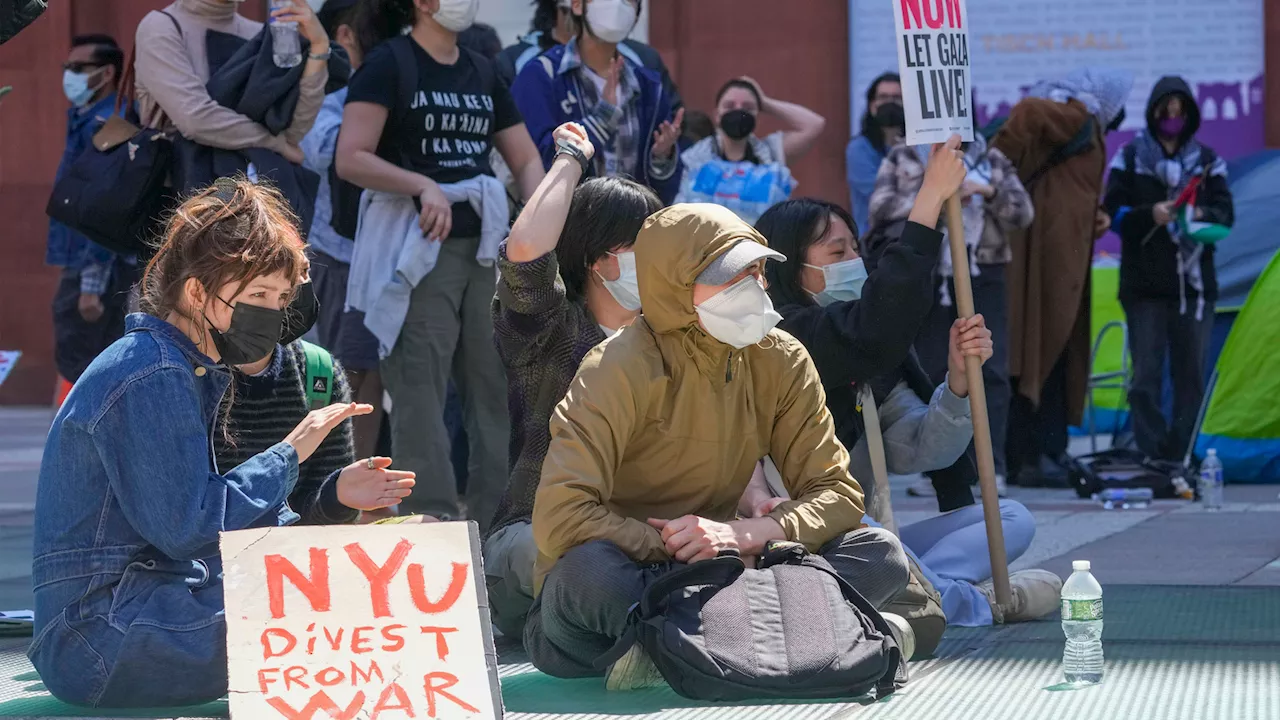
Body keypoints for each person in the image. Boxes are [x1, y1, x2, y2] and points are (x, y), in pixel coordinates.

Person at [28, 179, 416, 708]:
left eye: (281, 299)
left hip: (136, 612)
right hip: (100, 636)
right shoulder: (152, 372)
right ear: (195, 292)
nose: (274, 314)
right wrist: (290, 451)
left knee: (349, 587)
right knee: (342, 613)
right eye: (257, 296)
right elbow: (190, 527)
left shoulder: (177, 366)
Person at [523, 202, 911, 688]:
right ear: (676, 287)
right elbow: (562, 517)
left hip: (732, 571)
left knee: (879, 552)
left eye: (757, 270)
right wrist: (681, 552)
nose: (756, 286)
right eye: (734, 275)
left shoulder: (783, 358)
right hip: (643, 577)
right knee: (584, 576)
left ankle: (670, 651)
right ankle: (821, 630)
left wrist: (749, 536)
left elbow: (838, 495)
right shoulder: (614, 367)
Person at [756, 196, 1061, 628]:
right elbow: (880, 318)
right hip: (802, 531)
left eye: (855, 248)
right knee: (876, 546)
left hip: (864, 536)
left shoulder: (871, 366)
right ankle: (978, 603)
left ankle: (915, 586)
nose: (855, 261)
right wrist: (932, 195)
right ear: (790, 269)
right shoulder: (783, 338)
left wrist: (957, 379)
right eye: (837, 253)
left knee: (1012, 519)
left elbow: (924, 450)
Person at [336, 0, 545, 531]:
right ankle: (427, 517)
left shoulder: (481, 67)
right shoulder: (389, 62)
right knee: (418, 390)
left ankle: (502, 515)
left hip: (484, 248)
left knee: (493, 384)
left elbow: (522, 157)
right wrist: (422, 185)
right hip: (418, 246)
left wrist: (541, 219)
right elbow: (351, 155)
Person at [487, 122, 662, 639]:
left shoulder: (672, 340)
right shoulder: (553, 331)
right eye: (645, 246)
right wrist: (570, 159)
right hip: (536, 534)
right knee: (576, 561)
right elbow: (525, 254)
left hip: (645, 538)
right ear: (601, 259)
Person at [868, 128, 1034, 496]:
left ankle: (993, 468)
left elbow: (1023, 212)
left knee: (989, 369)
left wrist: (986, 191)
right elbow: (879, 208)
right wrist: (934, 191)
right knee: (932, 368)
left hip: (982, 273)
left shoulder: (991, 158)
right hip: (927, 272)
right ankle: (941, 474)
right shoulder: (904, 156)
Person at [993, 68, 1133, 485]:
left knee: (1046, 354)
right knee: (1044, 353)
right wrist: (996, 160)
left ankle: (1035, 456)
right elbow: (1028, 111)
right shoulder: (1079, 117)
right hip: (1046, 264)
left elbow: (1065, 189)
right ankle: (1037, 457)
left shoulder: (1084, 128)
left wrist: (1090, 218)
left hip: (1059, 259)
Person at [1104, 77, 1233, 462]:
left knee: (1190, 377)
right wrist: (1150, 215)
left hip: (1194, 290)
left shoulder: (1209, 163)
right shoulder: (1128, 158)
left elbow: (1226, 216)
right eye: (1166, 111)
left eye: (1180, 112)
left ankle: (1182, 453)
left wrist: (1196, 215)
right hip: (1143, 288)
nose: (1173, 118)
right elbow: (1111, 215)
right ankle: (1153, 454)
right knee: (1144, 377)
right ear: (1154, 113)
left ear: (1191, 116)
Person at [302, 0, 385, 464]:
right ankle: (322, 480)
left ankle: (363, 480)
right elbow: (322, 154)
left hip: (386, 258)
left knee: (370, 377)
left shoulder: (398, 86)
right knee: (327, 372)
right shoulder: (330, 101)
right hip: (335, 260)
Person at [510, 0, 683, 204]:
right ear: (576, 5)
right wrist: (602, 119)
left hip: (634, 225)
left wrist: (662, 156)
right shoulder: (541, 75)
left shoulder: (648, 84)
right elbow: (536, 163)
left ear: (636, 15)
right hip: (570, 226)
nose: (617, 5)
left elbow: (664, 187)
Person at [134, 0, 330, 165]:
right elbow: (195, 119)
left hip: (249, 195)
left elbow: (292, 132)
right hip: (177, 194)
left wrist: (318, 48)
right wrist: (273, 143)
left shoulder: (260, 33)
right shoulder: (160, 27)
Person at [49, 34, 135, 384]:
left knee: (85, 361)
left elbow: (104, 208)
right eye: (67, 67)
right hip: (80, 257)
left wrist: (91, 283)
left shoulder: (108, 125)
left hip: (97, 267)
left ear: (108, 73)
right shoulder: (85, 119)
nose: (70, 75)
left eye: (79, 68)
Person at [675, 77, 825, 222]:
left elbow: (815, 125)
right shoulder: (695, 156)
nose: (738, 111)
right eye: (729, 106)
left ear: (757, 118)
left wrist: (764, 102)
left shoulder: (771, 153)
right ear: (717, 116)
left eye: (748, 107)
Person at [497, 0, 682, 113]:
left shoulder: (644, 63)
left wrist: (663, 158)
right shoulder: (522, 66)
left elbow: (671, 131)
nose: (614, 5)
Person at [846, 73, 904, 234]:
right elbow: (881, 199)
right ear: (872, 105)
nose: (890, 103)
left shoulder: (920, 146)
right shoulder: (859, 148)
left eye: (897, 97)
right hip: (874, 240)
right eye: (883, 97)